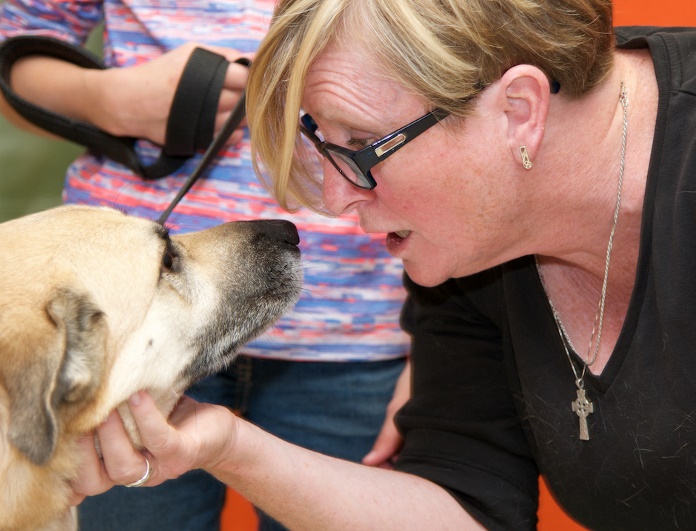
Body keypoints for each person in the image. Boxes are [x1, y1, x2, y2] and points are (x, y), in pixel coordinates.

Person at [68, 0, 696, 529]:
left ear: (519, 110)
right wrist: (225, 445)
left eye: (362, 146)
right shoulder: (471, 250)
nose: (340, 198)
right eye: (326, 146)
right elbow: (467, 508)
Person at [0, 1, 411, 530]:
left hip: (359, 335)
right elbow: (16, 62)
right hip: (130, 337)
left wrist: (439, 351)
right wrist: (111, 100)